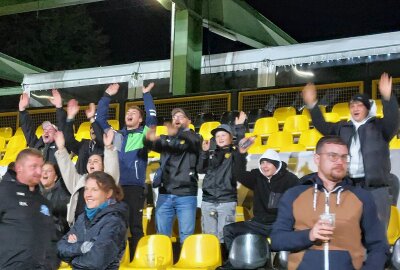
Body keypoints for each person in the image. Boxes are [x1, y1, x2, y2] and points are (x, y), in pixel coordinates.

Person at [270, 136, 389, 270]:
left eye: (344, 157)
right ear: (317, 159)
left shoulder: (362, 197)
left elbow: (379, 245)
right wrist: (309, 235)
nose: (340, 162)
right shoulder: (294, 195)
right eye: (333, 156)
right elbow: (277, 240)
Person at [302, 72, 399, 227]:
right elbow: (322, 126)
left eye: (359, 105)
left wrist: (388, 97)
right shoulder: (343, 128)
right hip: (349, 186)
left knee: (377, 232)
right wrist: (312, 105)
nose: (355, 108)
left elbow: (394, 119)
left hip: (376, 188)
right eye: (352, 105)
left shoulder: (380, 127)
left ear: (367, 108)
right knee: (348, 231)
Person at [96, 82, 157, 257]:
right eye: (128, 113)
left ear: (139, 119)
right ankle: (118, 261)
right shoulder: (117, 136)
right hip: (115, 187)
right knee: (115, 226)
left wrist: (146, 95)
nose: (129, 114)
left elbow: (152, 119)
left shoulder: (143, 134)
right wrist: (107, 95)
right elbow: (100, 119)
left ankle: (138, 260)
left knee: (135, 226)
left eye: (134, 113)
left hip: (134, 187)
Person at [218, 147, 299, 269]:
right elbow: (238, 173)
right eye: (262, 163)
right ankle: (234, 263)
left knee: (299, 235)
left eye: (268, 163)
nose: (264, 166)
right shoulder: (257, 176)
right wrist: (241, 154)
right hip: (258, 224)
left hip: (280, 225)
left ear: (276, 164)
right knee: (229, 230)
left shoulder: (291, 179)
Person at [145, 108, 201, 244]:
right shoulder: (167, 139)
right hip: (165, 194)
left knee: (186, 237)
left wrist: (178, 133)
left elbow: (191, 142)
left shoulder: (195, 137)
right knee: (162, 237)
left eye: (180, 116)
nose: (176, 119)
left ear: (189, 121)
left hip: (186, 194)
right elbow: (149, 144)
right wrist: (148, 138)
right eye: (174, 116)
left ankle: (185, 264)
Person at [57, 171, 128, 270]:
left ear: (108, 193)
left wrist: (72, 258)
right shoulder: (82, 218)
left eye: (94, 190)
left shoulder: (115, 221)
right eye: (86, 189)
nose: (88, 194)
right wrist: (81, 248)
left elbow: (96, 262)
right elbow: (60, 248)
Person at [0, 148, 58, 269]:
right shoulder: (3, 193)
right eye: (33, 166)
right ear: (19, 168)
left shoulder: (44, 203)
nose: (39, 171)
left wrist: (50, 265)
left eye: (40, 167)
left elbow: (52, 240)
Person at [196, 112, 247, 244]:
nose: (220, 138)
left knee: (224, 237)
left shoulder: (235, 153)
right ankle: (212, 263)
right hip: (208, 201)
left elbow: (242, 146)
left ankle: (224, 263)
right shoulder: (212, 154)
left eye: (223, 135)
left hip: (226, 201)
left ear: (231, 137)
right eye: (217, 136)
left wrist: (240, 127)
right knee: (209, 238)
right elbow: (201, 169)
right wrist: (204, 152)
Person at [54, 129, 119, 226]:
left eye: (96, 161)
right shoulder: (81, 181)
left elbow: (112, 168)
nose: (91, 163)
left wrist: (109, 148)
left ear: (103, 166)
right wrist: (61, 149)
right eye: (89, 161)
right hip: (79, 228)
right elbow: (68, 171)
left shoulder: (107, 180)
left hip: (102, 226)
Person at [18, 89, 67, 163]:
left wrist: (59, 107)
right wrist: (22, 110)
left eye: (50, 130)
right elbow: (28, 130)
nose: (46, 132)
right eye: (44, 130)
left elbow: (63, 125)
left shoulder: (60, 145)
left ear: (57, 133)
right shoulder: (36, 145)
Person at [63, 99, 105, 174]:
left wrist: (92, 119)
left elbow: (100, 139)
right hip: (80, 184)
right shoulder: (84, 144)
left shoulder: (106, 147)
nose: (93, 130)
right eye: (91, 128)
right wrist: (70, 118)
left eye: (95, 128)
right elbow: (68, 140)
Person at [40, 161, 71, 239]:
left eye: (49, 171)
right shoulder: (36, 192)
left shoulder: (62, 194)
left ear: (55, 177)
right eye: (43, 170)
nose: (45, 173)